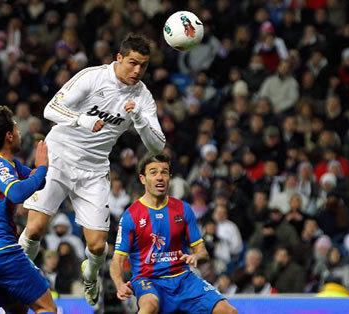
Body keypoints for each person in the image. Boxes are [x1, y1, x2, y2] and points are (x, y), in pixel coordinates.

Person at [19, 34, 166, 305]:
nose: (137, 71)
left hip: (95, 169)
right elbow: (51, 109)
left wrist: (140, 120)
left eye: (143, 65)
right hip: (59, 157)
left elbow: (157, 146)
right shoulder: (92, 77)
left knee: (98, 246)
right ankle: (14, 282)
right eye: (133, 63)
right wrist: (82, 121)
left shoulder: (142, 96)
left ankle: (91, 273)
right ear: (119, 58)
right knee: (36, 229)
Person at [110, 154, 237, 314]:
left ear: (169, 178)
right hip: (148, 280)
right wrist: (119, 284)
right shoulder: (131, 215)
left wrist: (196, 257)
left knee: (228, 311)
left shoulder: (183, 209)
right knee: (149, 305)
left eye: (164, 172)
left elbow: (202, 251)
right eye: (153, 172)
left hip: (183, 279)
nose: (159, 177)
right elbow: (117, 260)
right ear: (143, 179)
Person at [0, 106, 56, 314]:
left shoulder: (3, 164)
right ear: (9, 136)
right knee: (47, 307)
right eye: (16, 128)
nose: (19, 132)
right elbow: (16, 193)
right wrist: (41, 167)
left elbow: (36, 182)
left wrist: (43, 167)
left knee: (17, 310)